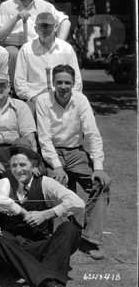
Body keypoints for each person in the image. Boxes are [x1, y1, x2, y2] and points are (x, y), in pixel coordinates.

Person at [0, 139, 85, 287]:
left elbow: (78, 202)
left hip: (40, 247)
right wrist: (21, 211)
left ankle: (40, 283)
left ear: (33, 165)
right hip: (13, 251)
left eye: (23, 165)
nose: (18, 170)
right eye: (14, 165)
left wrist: (46, 214)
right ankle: (49, 284)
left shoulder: (45, 183)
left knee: (69, 228)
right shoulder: (4, 182)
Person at [36, 64, 111, 260]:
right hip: (53, 153)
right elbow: (44, 139)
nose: (63, 86)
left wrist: (99, 168)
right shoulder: (43, 101)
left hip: (76, 152)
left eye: (67, 82)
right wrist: (57, 166)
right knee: (56, 183)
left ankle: (90, 239)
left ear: (74, 83)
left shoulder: (81, 100)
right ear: (52, 83)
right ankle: (63, 236)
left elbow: (93, 134)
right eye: (59, 82)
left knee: (101, 184)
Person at [0, 73, 37, 236]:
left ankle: (18, 228)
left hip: (15, 153)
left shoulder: (20, 106)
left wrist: (32, 160)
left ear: (9, 88)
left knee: (17, 185)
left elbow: (29, 136)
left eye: (2, 85)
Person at [0, 0, 70, 84]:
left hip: (36, 45)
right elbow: (0, 37)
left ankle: (42, 88)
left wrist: (59, 44)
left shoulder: (44, 6)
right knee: (13, 54)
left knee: (43, 53)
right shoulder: (5, 6)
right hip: (13, 46)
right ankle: (16, 90)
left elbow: (65, 21)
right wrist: (16, 18)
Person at [14, 12, 81, 107]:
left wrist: (68, 98)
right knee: (27, 111)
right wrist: (34, 98)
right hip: (35, 100)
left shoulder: (66, 49)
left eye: (48, 26)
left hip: (63, 98)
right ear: (35, 29)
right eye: (41, 26)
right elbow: (19, 82)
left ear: (56, 27)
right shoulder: (26, 49)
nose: (44, 29)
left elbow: (77, 80)